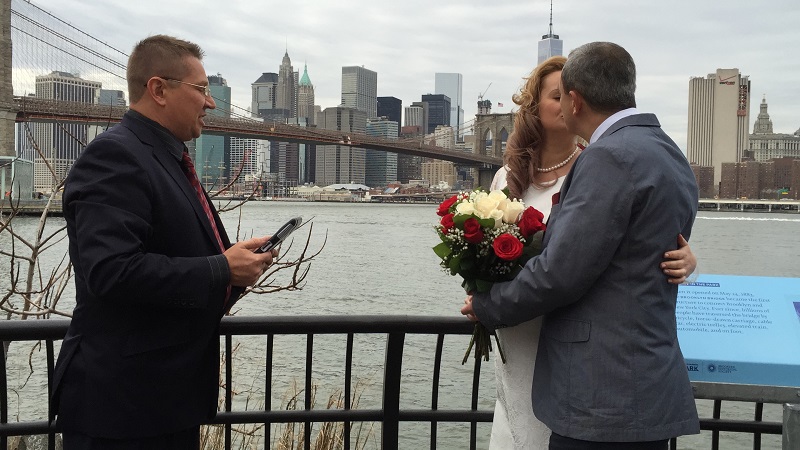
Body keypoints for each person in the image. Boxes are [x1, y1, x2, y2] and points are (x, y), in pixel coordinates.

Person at [463, 42, 701, 450]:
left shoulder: (606, 158)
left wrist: (487, 306)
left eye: (563, 95)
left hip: (598, 395)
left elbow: (561, 272)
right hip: (641, 387)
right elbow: (640, 251)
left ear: (575, 100)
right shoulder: (669, 152)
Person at [52, 35, 276, 449]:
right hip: (122, 411)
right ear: (158, 89)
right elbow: (112, 271)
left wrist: (238, 270)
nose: (211, 104)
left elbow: (180, 264)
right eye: (202, 90)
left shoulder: (165, 158)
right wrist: (221, 268)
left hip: (161, 403)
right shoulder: (115, 156)